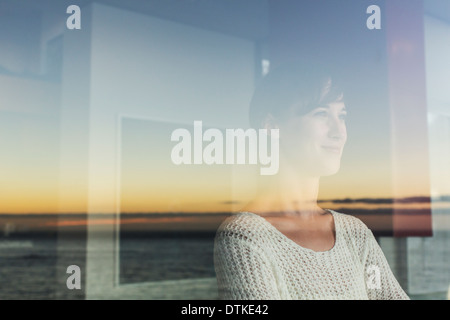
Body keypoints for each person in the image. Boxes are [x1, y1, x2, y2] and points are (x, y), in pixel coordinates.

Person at [213, 61, 409, 300]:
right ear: (272, 126)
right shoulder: (244, 237)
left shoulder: (354, 232)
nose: (339, 132)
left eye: (342, 115)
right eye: (322, 114)